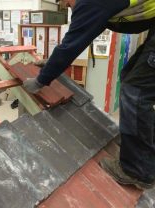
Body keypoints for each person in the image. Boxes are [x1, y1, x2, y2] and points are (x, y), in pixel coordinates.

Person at [23, 0, 155, 190]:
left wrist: (40, 81)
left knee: (136, 92)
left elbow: (71, 45)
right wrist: (53, 63)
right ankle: (144, 150)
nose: (68, 7)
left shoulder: (90, 2)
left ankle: (138, 170)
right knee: (130, 78)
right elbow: (79, 38)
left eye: (65, 3)